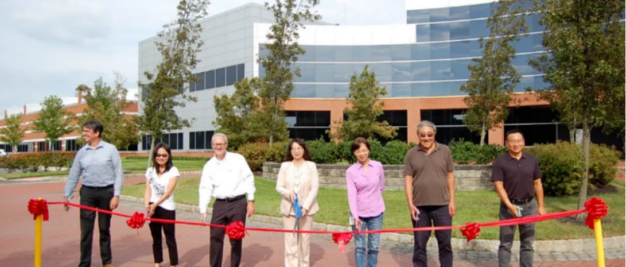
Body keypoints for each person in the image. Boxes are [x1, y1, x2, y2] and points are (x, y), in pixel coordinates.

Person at [64, 120, 124, 267]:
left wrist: (116, 195)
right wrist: (67, 195)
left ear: (97, 133)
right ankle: (84, 264)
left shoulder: (111, 149)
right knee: (86, 232)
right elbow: (74, 174)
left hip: (106, 193)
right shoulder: (82, 152)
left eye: (87, 131)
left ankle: (106, 262)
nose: (84, 133)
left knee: (104, 230)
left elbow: (118, 173)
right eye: (83, 130)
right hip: (87, 193)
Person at [403, 120, 455, 267]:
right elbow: (408, 180)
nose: (426, 138)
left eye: (429, 134)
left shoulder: (445, 151)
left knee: (445, 243)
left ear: (434, 134)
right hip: (419, 207)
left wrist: (452, 201)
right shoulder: (411, 154)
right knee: (419, 244)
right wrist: (410, 205)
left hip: (442, 206)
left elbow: (450, 177)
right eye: (423, 135)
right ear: (418, 136)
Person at [199, 133, 256, 267]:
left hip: (238, 203)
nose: (219, 146)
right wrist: (203, 209)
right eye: (216, 144)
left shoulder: (238, 159)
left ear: (226, 144)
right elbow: (205, 188)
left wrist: (251, 200)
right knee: (215, 238)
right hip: (219, 205)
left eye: (221, 143)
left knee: (236, 238)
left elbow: (249, 178)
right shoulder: (209, 166)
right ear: (212, 146)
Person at [491, 129, 546, 267]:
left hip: (529, 206)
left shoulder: (532, 160)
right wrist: (509, 205)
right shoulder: (500, 161)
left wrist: (541, 206)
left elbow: (537, 183)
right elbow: (499, 186)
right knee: (505, 244)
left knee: (527, 244)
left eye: (518, 141)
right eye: (512, 141)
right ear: (506, 143)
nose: (516, 144)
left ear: (523, 142)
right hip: (508, 208)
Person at [276, 139, 320, 267]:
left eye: (299, 148)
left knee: (305, 241)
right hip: (289, 209)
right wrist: (288, 193)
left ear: (304, 150)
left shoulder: (311, 166)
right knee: (290, 241)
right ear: (290, 151)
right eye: (293, 148)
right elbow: (279, 187)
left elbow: (315, 187)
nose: (296, 151)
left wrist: (305, 207)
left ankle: (304, 264)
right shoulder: (285, 166)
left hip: (307, 210)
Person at [346, 137, 385, 267]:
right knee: (359, 247)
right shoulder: (351, 171)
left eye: (364, 150)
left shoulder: (378, 166)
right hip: (359, 215)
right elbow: (352, 195)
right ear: (354, 153)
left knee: (374, 247)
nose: (361, 154)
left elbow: (381, 186)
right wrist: (355, 216)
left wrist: (374, 199)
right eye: (358, 151)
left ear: (368, 150)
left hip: (376, 213)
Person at [144, 143, 179, 267]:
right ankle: (157, 263)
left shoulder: (173, 171)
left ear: (169, 156)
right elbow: (148, 189)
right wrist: (147, 205)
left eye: (164, 155)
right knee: (156, 237)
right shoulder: (150, 171)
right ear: (154, 156)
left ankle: (174, 264)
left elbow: (169, 191)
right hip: (152, 207)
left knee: (170, 238)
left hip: (167, 208)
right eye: (158, 155)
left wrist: (155, 204)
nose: (161, 157)